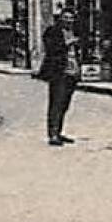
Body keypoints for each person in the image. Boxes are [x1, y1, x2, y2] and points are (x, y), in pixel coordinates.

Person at [35, 14, 80, 146]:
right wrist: (67, 43)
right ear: (60, 18)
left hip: (72, 71)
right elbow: (51, 49)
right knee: (56, 103)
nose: (68, 20)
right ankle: (53, 134)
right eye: (66, 17)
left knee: (65, 104)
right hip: (58, 72)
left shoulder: (75, 32)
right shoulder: (52, 31)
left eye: (71, 18)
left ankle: (59, 132)